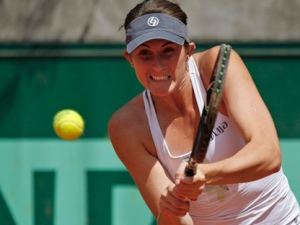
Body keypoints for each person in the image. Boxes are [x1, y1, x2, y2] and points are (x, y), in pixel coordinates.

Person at [108, 0, 300, 224]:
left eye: (168, 50)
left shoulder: (216, 66)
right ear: (129, 58)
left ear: (188, 50)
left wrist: (207, 174)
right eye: (145, 53)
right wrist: (172, 207)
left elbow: (268, 155)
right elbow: (174, 221)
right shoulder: (126, 126)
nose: (157, 65)